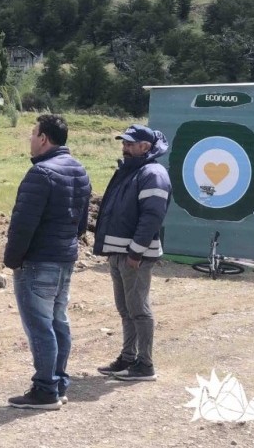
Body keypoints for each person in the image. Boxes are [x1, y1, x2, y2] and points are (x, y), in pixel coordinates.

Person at [4, 114, 92, 410]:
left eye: (32, 133)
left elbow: (23, 224)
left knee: (40, 327)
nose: (29, 138)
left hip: (38, 261)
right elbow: (81, 223)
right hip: (65, 259)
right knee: (58, 322)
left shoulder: (40, 173)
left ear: (44, 138)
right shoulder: (79, 170)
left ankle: (45, 390)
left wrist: (12, 259)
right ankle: (59, 383)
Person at [93, 124, 172, 382]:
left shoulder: (153, 174)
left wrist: (136, 252)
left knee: (138, 308)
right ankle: (128, 357)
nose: (124, 147)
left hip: (134, 256)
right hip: (120, 253)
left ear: (145, 147)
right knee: (125, 308)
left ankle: (145, 364)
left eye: (129, 143)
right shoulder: (131, 170)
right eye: (124, 142)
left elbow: (152, 217)